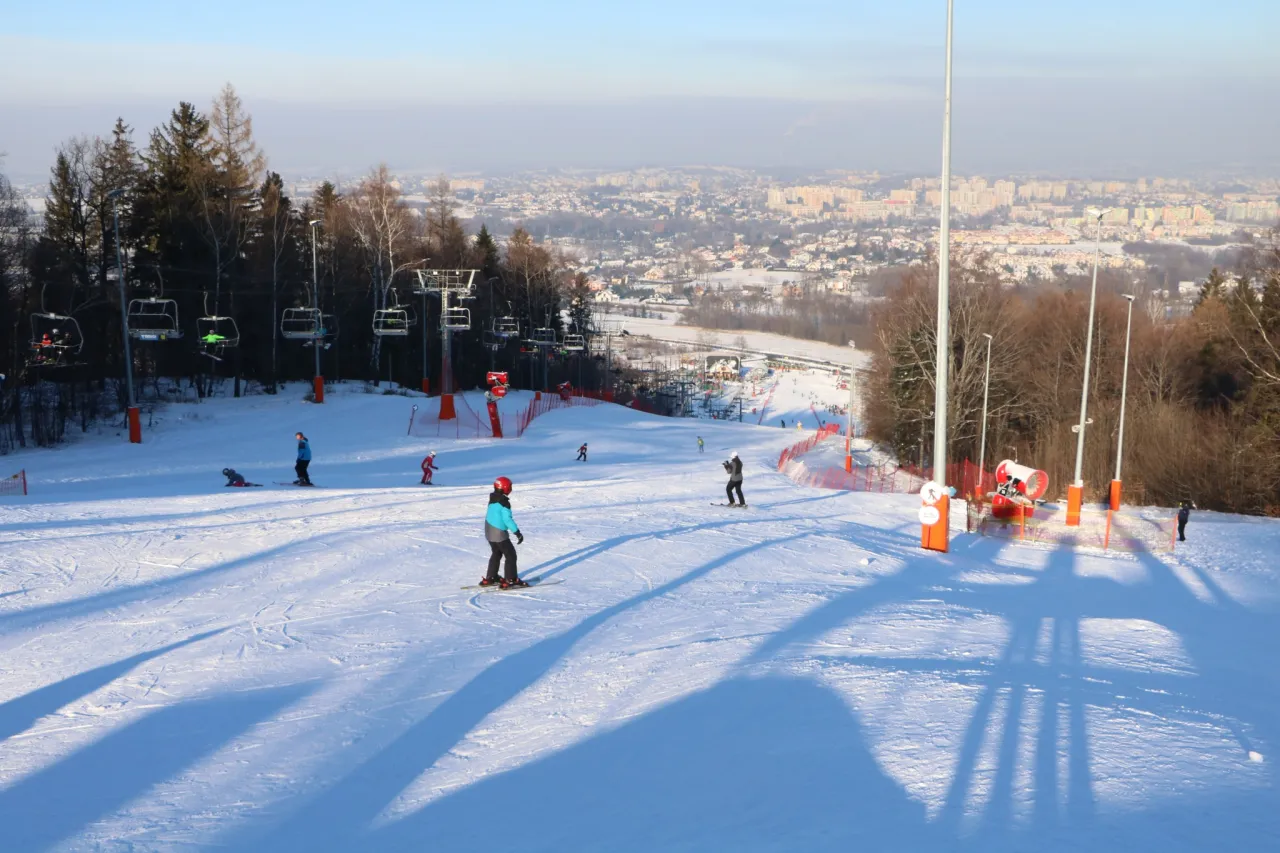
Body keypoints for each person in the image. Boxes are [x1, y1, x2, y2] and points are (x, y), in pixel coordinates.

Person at [482, 476, 526, 589]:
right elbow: (507, 520)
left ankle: (491, 577)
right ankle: (511, 579)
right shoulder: (504, 502)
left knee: (496, 553)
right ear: (506, 488)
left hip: (488, 531)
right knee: (510, 555)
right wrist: (517, 532)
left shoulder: (492, 498)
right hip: (499, 533)